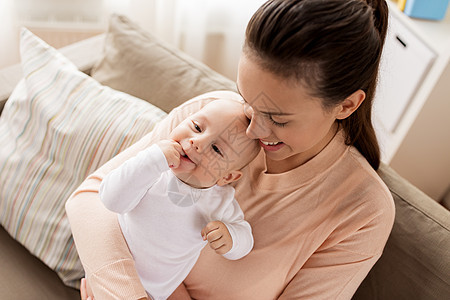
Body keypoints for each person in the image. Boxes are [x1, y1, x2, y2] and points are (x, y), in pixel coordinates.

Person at [66, 0, 395, 299]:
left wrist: (113, 277)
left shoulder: (363, 212)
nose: (253, 130)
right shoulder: (211, 117)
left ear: (346, 105)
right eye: (248, 101)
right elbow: (90, 200)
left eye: (277, 119)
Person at [98, 99, 259, 300]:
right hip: (109, 269)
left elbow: (245, 240)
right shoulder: (152, 167)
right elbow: (110, 200)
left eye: (216, 149)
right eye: (197, 127)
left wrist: (232, 237)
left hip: (155, 294)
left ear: (226, 177)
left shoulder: (220, 202)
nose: (197, 143)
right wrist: (153, 160)